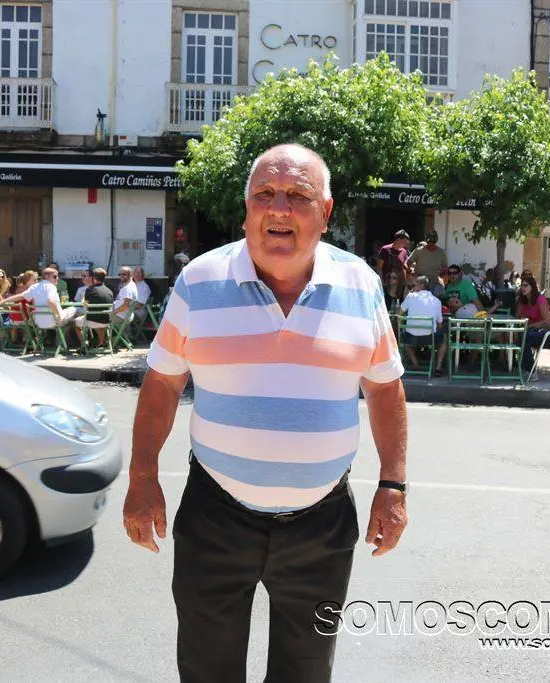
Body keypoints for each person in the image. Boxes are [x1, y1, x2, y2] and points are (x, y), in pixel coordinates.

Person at [123, 144, 408, 683]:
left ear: (325, 213)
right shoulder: (199, 282)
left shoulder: (361, 286)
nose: (279, 208)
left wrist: (392, 486)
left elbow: (386, 390)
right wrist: (142, 477)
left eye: (298, 196)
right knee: (207, 669)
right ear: (246, 208)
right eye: (265, 195)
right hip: (215, 517)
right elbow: (162, 384)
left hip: (322, 526)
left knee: (306, 672)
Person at [4, 266, 77, 332]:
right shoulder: (51, 286)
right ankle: (68, 342)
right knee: (75, 310)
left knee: (69, 314)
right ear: (47, 276)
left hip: (39, 323)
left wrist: (2, 302)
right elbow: (50, 301)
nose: (57, 278)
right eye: (55, 277)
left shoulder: (35, 286)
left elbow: (20, 296)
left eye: (57, 276)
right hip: (54, 322)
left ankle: (50, 339)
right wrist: (58, 317)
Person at [399, 275, 443, 370]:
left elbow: (400, 313)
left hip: (410, 338)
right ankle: (438, 367)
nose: (413, 287)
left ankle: (415, 363)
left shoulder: (410, 297)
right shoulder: (436, 301)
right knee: (445, 340)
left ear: (421, 285)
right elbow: (440, 325)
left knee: (403, 338)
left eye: (414, 285)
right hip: (429, 339)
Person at [76, 267, 115, 349]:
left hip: (93, 321)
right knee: (99, 320)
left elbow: (85, 306)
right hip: (106, 321)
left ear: (93, 278)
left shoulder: (90, 289)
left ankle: (84, 345)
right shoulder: (109, 291)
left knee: (74, 323)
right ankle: (101, 342)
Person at [375, 229, 411, 308]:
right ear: (398, 240)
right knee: (386, 306)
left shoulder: (404, 252)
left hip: (400, 285)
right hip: (387, 283)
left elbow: (405, 265)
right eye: (405, 241)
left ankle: (399, 320)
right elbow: (379, 267)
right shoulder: (385, 250)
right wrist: (382, 282)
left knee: (400, 307)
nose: (406, 243)